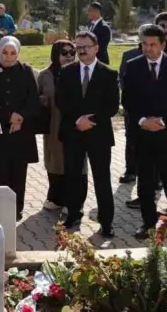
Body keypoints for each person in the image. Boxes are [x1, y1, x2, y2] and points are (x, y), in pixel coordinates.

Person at [122, 24, 167, 245]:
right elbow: (128, 100)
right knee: (145, 185)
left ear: (163, 44)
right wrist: (143, 121)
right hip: (142, 136)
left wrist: (161, 121)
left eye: (153, 44)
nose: (148, 49)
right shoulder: (133, 67)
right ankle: (149, 224)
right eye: (144, 44)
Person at [57, 31, 119, 238]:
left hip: (98, 134)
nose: (82, 50)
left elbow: (111, 106)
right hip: (73, 133)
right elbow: (61, 101)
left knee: (102, 179)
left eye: (86, 46)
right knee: (73, 177)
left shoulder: (109, 74)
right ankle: (73, 215)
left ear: (96, 48)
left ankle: (107, 222)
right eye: (78, 47)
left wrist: (90, 121)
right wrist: (78, 121)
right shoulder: (66, 72)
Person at [0, 36, 38, 220]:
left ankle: (17, 209)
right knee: (0, 171)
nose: (9, 57)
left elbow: (33, 99)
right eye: (5, 52)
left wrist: (20, 117)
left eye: (13, 53)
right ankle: (0, 208)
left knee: (19, 172)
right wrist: (8, 116)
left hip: (21, 132)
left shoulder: (25, 71)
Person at [37, 40, 82, 212]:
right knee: (54, 162)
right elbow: (37, 97)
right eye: (64, 53)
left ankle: (73, 201)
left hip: (74, 125)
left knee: (74, 162)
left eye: (72, 52)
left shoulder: (79, 72)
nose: (69, 56)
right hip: (54, 126)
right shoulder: (45, 75)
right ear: (56, 54)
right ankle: (56, 198)